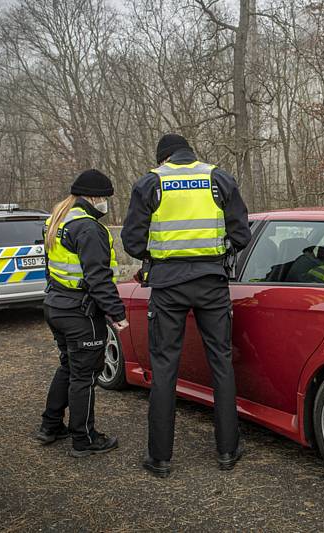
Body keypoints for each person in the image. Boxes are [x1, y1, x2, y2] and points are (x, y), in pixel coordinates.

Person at [121, 133, 251, 478]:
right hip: (212, 283)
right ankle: (227, 450)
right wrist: (216, 250)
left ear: (163, 158)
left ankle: (160, 458)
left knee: (164, 368)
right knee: (221, 362)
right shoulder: (218, 178)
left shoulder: (151, 182)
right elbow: (242, 236)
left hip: (167, 285)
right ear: (191, 153)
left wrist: (159, 255)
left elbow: (132, 241)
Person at [35, 169, 129, 458]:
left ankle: (50, 426)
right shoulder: (88, 228)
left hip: (56, 305)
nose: (106, 202)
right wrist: (117, 314)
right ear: (92, 196)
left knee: (68, 366)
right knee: (84, 376)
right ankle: (84, 438)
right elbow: (98, 277)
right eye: (104, 197)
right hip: (80, 313)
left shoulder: (57, 219)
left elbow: (53, 268)